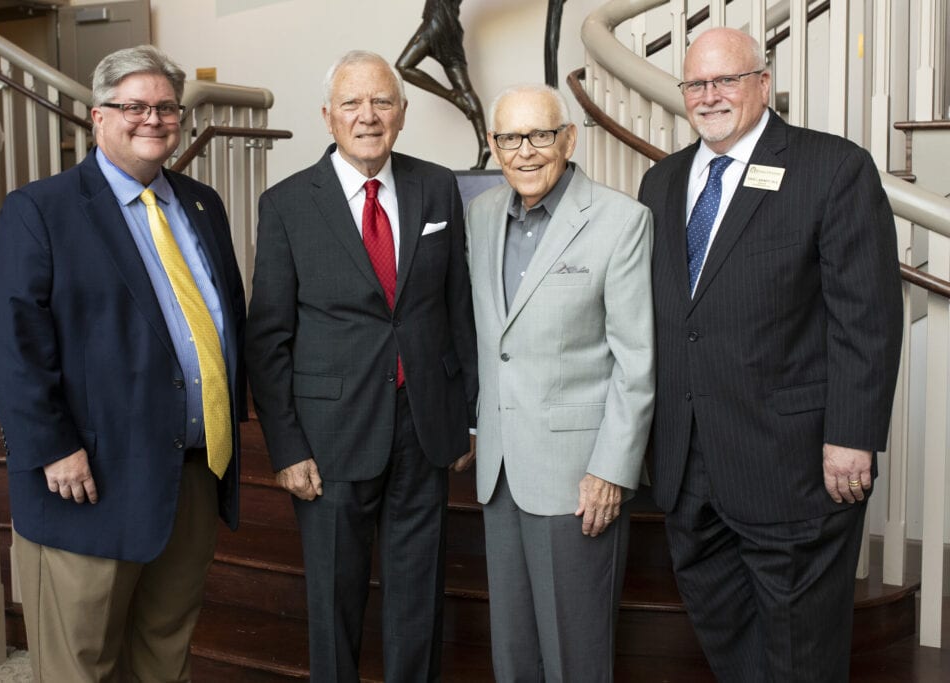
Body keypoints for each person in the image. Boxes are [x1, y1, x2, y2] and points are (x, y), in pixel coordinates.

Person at [638, 27, 902, 683]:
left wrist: (853, 435)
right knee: (729, 636)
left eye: (726, 79)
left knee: (800, 651)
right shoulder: (661, 182)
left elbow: (866, 316)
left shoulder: (833, 169)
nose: (710, 96)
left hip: (793, 464)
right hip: (688, 463)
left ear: (763, 82)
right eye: (696, 83)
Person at [0, 45, 246, 681]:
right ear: (98, 116)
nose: (152, 119)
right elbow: (11, 341)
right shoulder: (41, 209)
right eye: (134, 106)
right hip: (87, 479)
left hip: (191, 474)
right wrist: (51, 447)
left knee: (164, 653)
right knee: (81, 664)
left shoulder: (203, 204)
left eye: (165, 108)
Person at [245, 50, 477, 682]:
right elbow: (267, 337)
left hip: (423, 428)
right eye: (352, 103)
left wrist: (465, 419)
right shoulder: (287, 204)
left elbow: (459, 310)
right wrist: (286, 447)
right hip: (329, 437)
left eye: (381, 102)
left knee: (418, 597)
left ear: (401, 113)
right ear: (328, 116)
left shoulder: (436, 187)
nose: (367, 116)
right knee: (334, 599)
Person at [466, 83, 654, 681]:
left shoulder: (621, 220)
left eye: (540, 135)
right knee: (514, 653)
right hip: (499, 471)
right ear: (493, 145)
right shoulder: (482, 213)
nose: (525, 152)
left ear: (568, 139)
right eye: (509, 138)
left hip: (578, 477)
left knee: (575, 656)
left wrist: (611, 470)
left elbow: (636, 361)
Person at [396, 0, 489, 169]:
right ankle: (485, 145)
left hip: (435, 23)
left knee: (403, 67)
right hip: (450, 28)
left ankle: (452, 95)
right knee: (466, 90)